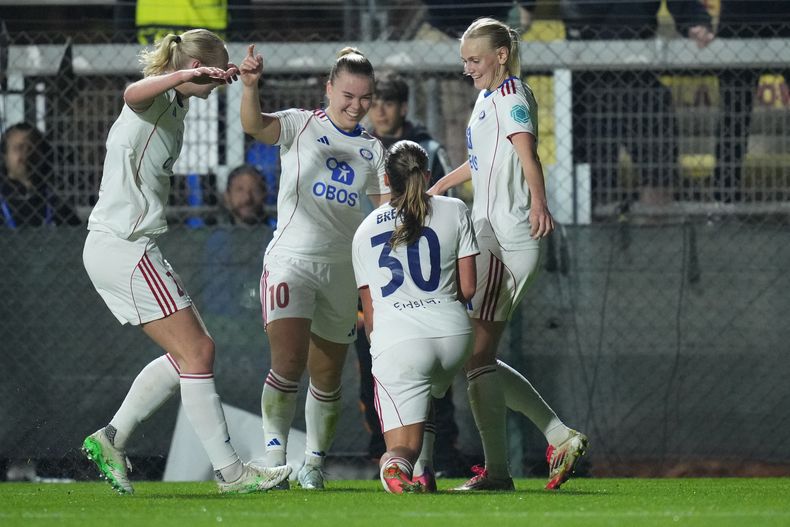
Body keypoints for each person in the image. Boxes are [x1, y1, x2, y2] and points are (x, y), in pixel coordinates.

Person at [81, 28, 291, 495]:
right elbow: (131, 91)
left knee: (188, 356)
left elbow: (213, 98)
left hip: (132, 245)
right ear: (186, 70)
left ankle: (110, 438)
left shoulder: (176, 101)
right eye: (209, 80)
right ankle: (231, 474)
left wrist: (242, 81)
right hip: (122, 244)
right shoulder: (155, 97)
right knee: (198, 352)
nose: (213, 87)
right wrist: (186, 73)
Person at [429, 17, 587, 491]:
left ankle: (504, 467)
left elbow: (526, 153)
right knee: (477, 359)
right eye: (464, 61)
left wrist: (539, 202)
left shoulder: (513, 95)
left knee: (475, 357)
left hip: (510, 237)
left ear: (501, 55)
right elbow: (482, 161)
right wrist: (442, 184)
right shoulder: (486, 98)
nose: (468, 69)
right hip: (487, 234)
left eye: (474, 60)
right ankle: (551, 439)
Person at [239, 44, 390, 490]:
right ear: (329, 88)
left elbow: (384, 216)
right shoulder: (300, 123)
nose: (356, 105)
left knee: (327, 377)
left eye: (365, 97)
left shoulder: (372, 150)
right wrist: (250, 87)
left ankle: (313, 466)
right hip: (291, 262)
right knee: (286, 364)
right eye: (347, 94)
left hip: (342, 272)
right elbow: (253, 125)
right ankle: (274, 462)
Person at [352, 140, 479, 494]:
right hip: (454, 337)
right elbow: (468, 289)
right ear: (427, 175)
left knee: (399, 448)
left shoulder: (363, 232)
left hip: (400, 341)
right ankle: (426, 474)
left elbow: (371, 313)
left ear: (386, 181)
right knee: (425, 394)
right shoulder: (454, 209)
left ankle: (399, 467)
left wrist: (385, 354)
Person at [358, 71, 466, 474]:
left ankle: (426, 459)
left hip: (413, 284)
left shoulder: (428, 150)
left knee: (418, 374)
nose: (380, 109)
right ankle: (389, 454)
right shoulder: (363, 148)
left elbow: (441, 214)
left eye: (388, 101)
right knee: (376, 374)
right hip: (387, 282)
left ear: (403, 107)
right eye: (376, 101)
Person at [560, 0, 713, 209]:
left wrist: (697, 23)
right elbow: (575, 11)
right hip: (589, 80)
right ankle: (597, 227)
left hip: (640, 74)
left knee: (659, 175)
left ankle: (653, 228)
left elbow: (686, 6)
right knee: (593, 188)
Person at [713, 1, 790, 202]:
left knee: (733, 117)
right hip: (739, 20)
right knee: (734, 116)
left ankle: (724, 199)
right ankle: (724, 198)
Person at [1, 122, 80, 228]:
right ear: (5, 156)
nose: (26, 153)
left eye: (32, 148)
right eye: (19, 147)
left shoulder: (57, 206)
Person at [220, 163, 275, 228]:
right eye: (239, 190)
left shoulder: (278, 230)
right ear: (227, 196)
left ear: (264, 194)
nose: (247, 198)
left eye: (255, 190)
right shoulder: (214, 232)